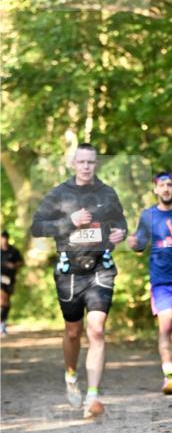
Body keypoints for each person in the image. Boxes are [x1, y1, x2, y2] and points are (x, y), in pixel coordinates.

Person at [31, 143, 127, 417]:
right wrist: (69, 221)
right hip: (69, 272)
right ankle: (71, 375)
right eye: (82, 162)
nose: (86, 166)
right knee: (73, 331)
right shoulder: (59, 194)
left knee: (96, 329)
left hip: (101, 268)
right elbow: (37, 227)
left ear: (96, 164)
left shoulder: (107, 193)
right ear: (73, 163)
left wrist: (119, 233)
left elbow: (120, 222)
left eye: (91, 162)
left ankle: (93, 397)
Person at [128, 172, 172, 393]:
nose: (166, 188)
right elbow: (139, 245)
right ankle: (168, 376)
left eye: (170, 185)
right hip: (160, 279)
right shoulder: (148, 215)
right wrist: (133, 243)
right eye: (162, 185)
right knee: (165, 324)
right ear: (156, 190)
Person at [0, 229, 24, 335]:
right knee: (2, 299)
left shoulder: (13, 251)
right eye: (2, 238)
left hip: (10, 279)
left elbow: (21, 262)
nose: (4, 240)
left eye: (5, 238)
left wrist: (14, 265)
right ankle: (1, 324)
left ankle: (3, 323)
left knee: (7, 302)